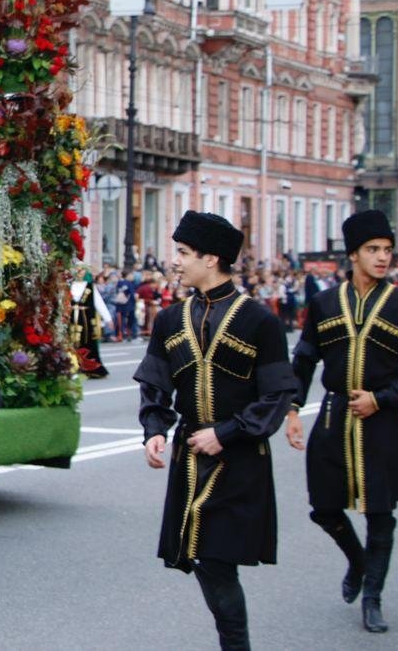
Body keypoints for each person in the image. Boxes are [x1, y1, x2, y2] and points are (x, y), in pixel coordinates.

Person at [135, 211, 297, 651]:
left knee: (217, 560)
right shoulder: (170, 320)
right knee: (203, 561)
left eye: (184, 254)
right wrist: (154, 428)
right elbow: (155, 384)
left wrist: (225, 433)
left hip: (239, 459)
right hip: (190, 460)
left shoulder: (259, 321)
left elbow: (277, 396)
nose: (177, 262)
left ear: (211, 259)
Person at [284, 210, 398, 633]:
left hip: (381, 421)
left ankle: (373, 599)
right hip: (333, 415)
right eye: (372, 250)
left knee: (381, 514)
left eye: (386, 250)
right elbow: (304, 359)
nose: (382, 258)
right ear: (354, 254)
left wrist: (382, 398)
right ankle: (358, 562)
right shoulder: (324, 303)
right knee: (323, 508)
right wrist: (292, 409)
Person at [70, 265, 111, 378]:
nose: (79, 272)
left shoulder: (90, 286)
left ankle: (90, 367)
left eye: (81, 270)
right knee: (71, 342)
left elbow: (99, 303)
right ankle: (72, 366)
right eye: (77, 270)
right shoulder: (69, 286)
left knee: (86, 342)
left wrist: (108, 319)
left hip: (85, 319)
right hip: (71, 318)